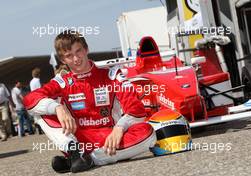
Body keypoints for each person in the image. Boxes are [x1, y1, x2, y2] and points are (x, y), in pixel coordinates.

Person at [23, 30, 156, 173]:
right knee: (40, 111)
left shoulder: (112, 75)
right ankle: (76, 153)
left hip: (111, 139)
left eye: (78, 51)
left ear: (86, 49)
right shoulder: (62, 82)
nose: (76, 59)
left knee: (148, 133)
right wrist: (57, 108)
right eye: (69, 56)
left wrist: (120, 127)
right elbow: (29, 100)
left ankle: (88, 159)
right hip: (77, 141)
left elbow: (137, 110)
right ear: (62, 60)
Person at [29, 67, 43, 134]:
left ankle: (38, 127)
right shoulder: (37, 80)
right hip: (38, 98)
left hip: (33, 98)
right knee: (42, 113)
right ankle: (41, 128)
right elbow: (39, 89)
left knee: (37, 113)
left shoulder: (31, 81)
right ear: (38, 74)